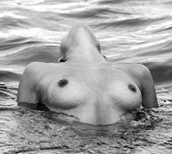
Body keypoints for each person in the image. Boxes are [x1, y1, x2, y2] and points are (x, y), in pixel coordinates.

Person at [17, 23, 158, 124]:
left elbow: (25, 122)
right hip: (74, 149)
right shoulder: (37, 72)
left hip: (116, 149)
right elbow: (153, 121)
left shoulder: (139, 73)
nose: (80, 26)